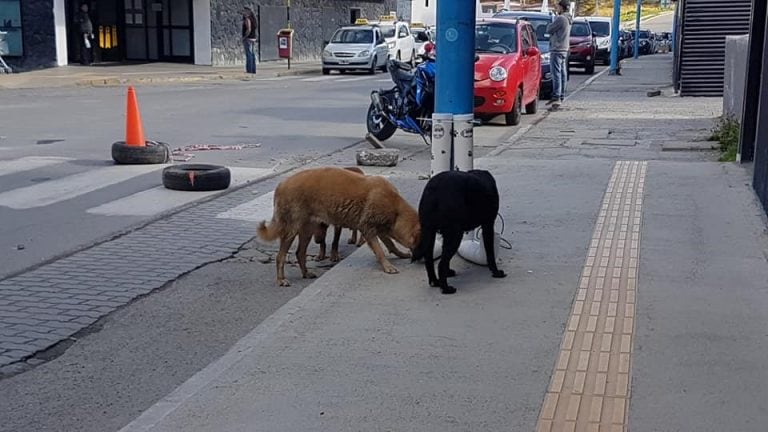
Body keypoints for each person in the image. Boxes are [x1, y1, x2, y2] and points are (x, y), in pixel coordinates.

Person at [546, 0, 572, 109]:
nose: (557, 9)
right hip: (564, 48)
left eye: (558, 7)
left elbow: (549, 29)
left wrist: (553, 20)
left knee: (556, 73)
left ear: (562, 7)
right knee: (562, 73)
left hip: (557, 48)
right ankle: (561, 95)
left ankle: (556, 95)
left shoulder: (561, 18)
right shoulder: (569, 18)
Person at [242, 7, 258, 74]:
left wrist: (245, 37)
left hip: (248, 39)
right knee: (252, 54)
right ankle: (253, 70)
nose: (243, 13)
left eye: (244, 11)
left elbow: (248, 29)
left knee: (249, 54)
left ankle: (249, 70)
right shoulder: (253, 19)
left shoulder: (247, 19)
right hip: (253, 38)